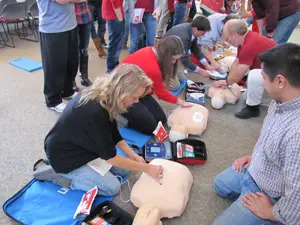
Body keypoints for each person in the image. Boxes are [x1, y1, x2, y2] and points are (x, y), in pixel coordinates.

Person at [212, 43, 300, 225]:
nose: (261, 81)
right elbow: (271, 139)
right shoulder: (280, 101)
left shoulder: (296, 133)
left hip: (272, 192)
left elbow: (297, 192)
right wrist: (255, 156)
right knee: (220, 185)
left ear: (281, 81)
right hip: (258, 170)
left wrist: (272, 212)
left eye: (264, 77)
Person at [45, 64, 164, 196]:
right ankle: (63, 177)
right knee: (112, 188)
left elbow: (113, 133)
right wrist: (147, 168)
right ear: (121, 91)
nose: (136, 102)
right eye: (134, 97)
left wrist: (133, 155)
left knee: (124, 171)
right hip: (65, 158)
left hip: (84, 147)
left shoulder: (106, 96)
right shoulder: (95, 112)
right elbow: (111, 158)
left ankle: (88, 171)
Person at [121, 36, 192, 134]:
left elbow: (156, 88)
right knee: (150, 127)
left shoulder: (152, 50)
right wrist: (181, 102)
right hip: (122, 94)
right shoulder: (153, 68)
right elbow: (161, 92)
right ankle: (118, 116)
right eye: (173, 59)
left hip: (137, 90)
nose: (174, 62)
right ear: (166, 55)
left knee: (161, 119)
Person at [214, 19, 276, 119]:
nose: (227, 41)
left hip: (280, 76)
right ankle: (266, 99)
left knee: (254, 76)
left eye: (227, 38)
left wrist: (227, 82)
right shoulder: (244, 40)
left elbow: (240, 72)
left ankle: (253, 109)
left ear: (234, 34)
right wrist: (228, 79)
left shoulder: (249, 44)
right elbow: (237, 62)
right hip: (272, 73)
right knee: (247, 96)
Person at [37, 0, 81, 113]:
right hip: (52, 29)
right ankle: (52, 100)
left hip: (70, 25)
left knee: (72, 63)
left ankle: (67, 91)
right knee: (55, 67)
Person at [102, 0, 125, 73]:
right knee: (115, 45)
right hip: (114, 15)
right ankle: (111, 70)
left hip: (113, 14)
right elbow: (115, 2)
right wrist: (120, 18)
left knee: (115, 44)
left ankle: (113, 67)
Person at [75, 0, 93, 87]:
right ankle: (71, 81)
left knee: (84, 49)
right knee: (74, 52)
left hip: (85, 17)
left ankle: (84, 77)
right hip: (71, 19)